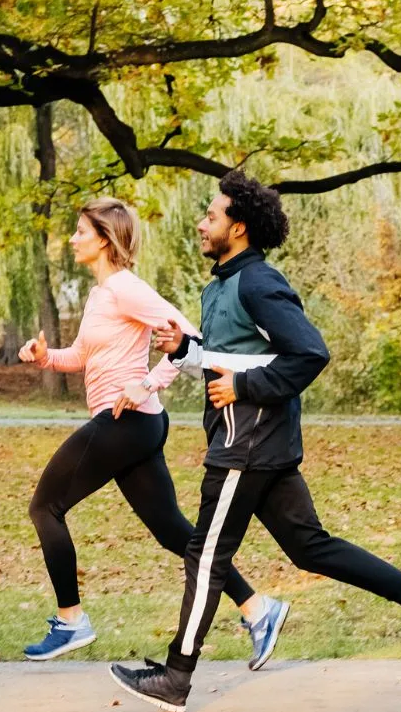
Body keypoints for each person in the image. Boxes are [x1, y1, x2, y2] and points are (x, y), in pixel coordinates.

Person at [108, 172, 401, 712]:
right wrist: (187, 351)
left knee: (206, 556)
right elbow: (235, 353)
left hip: (245, 447)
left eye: (212, 216)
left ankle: (176, 678)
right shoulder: (220, 284)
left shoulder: (259, 283)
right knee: (309, 547)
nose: (202, 224)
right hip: (256, 444)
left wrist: (245, 386)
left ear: (239, 228)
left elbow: (308, 354)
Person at [17, 198, 288, 664]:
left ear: (104, 238)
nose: (73, 238)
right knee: (173, 531)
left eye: (81, 231)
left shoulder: (126, 288)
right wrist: (43, 357)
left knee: (45, 507)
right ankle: (259, 609)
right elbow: (81, 356)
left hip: (126, 423)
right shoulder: (102, 294)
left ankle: (70, 621)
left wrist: (145, 383)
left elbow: (191, 338)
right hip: (133, 426)